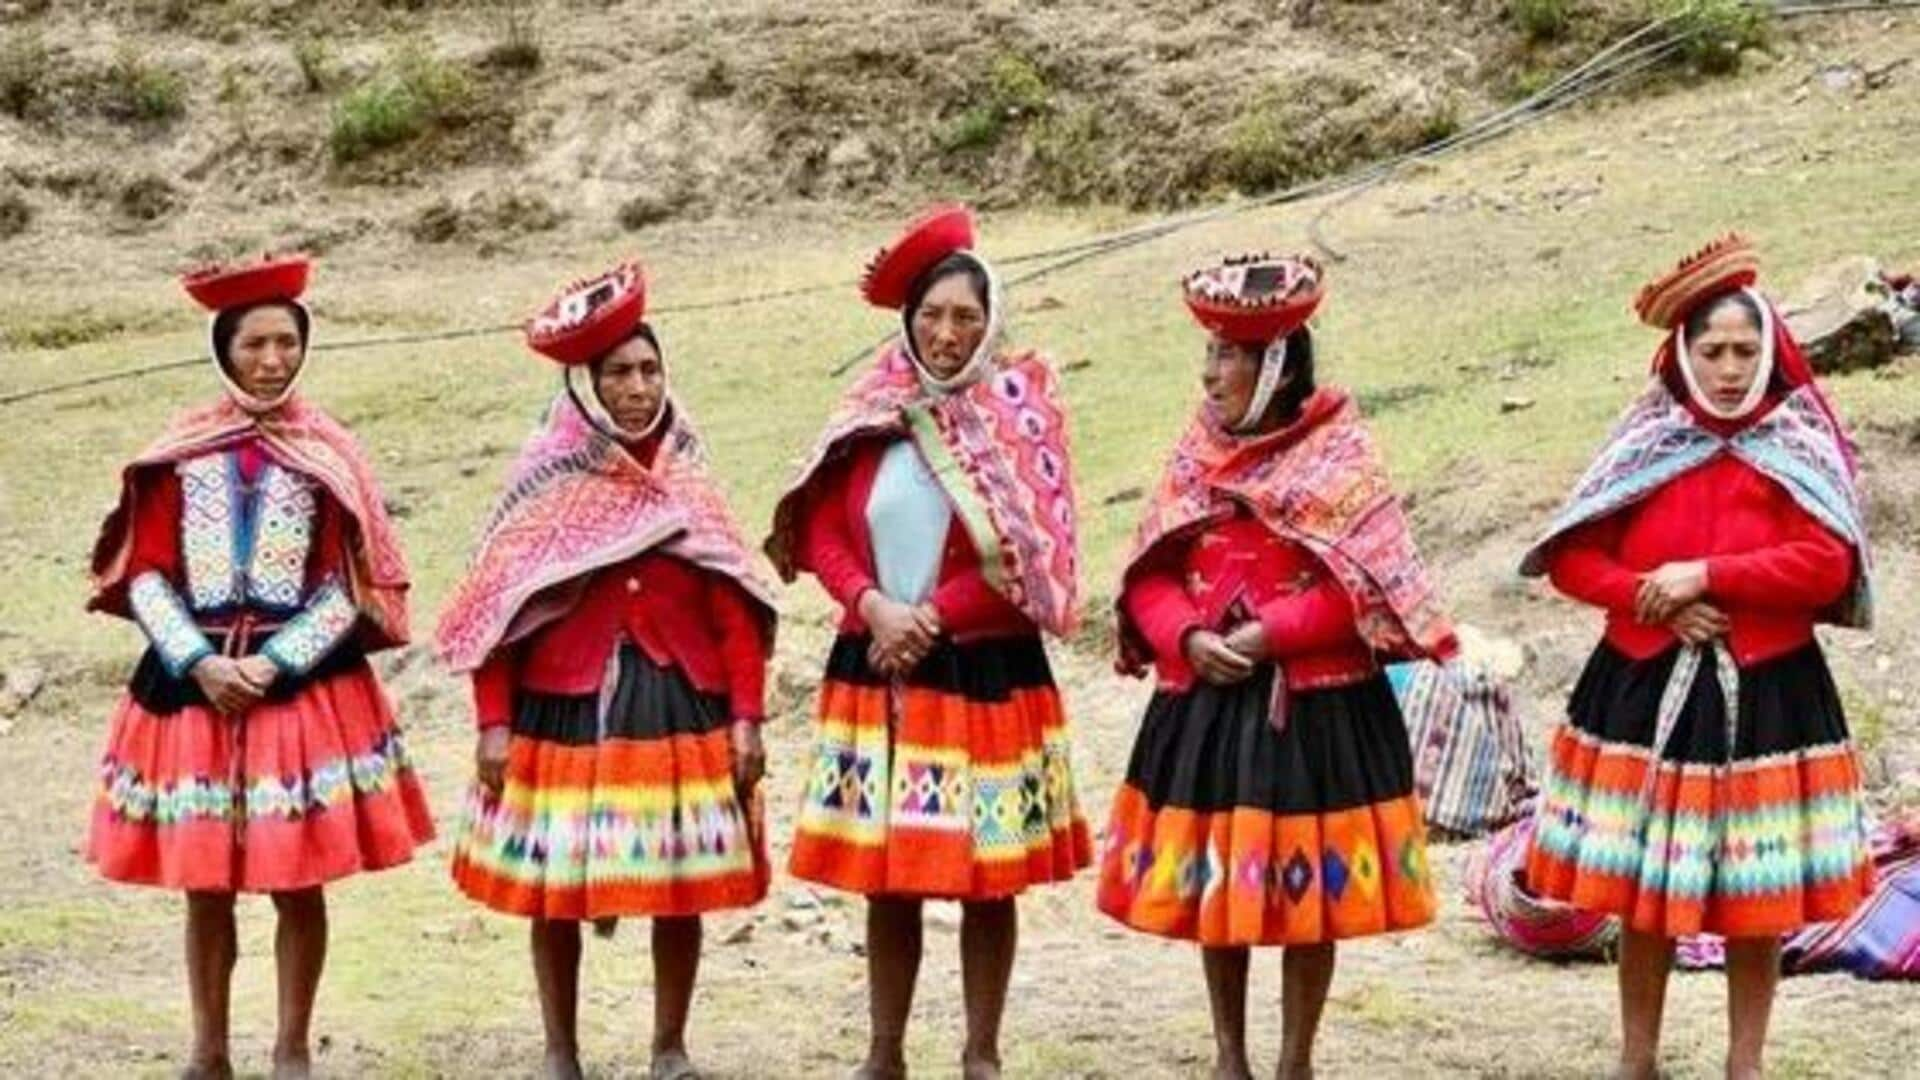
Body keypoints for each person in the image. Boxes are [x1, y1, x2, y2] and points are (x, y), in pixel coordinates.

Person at [1521, 235, 1876, 1080]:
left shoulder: (1797, 446)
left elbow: (1827, 564)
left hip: (1769, 692)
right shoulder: (1648, 442)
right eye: (1710, 350)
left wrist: (1707, 576)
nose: (1726, 368)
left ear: (1769, 355)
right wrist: (1651, 593)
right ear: (1682, 353)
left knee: (1757, 900)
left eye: (1744, 351)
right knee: (1646, 895)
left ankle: (1743, 1065)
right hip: (1643, 687)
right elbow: (1570, 557)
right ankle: (1636, 1060)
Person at [1095, 253, 1458, 1080]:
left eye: (1228, 355)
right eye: (1211, 355)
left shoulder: (1340, 455)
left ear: (1275, 366)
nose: (1211, 373)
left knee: (1308, 898)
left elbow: (1363, 585)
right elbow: (1149, 568)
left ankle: (1296, 1059)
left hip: (1315, 704)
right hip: (1207, 699)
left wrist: (1268, 635)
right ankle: (1230, 1056)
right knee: (1219, 885)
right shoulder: (1196, 450)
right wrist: (1183, 635)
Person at [85, 254, 432, 1080]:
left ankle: (291, 1048)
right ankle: (207, 1050)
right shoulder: (180, 454)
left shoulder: (329, 451)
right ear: (223, 349)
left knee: (296, 874)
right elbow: (146, 572)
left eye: (287, 344)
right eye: (255, 345)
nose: (273, 360)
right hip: (191, 683)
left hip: (299, 684)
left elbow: (350, 578)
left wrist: (273, 664)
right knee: (204, 883)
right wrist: (201, 662)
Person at [765, 205, 1090, 1080]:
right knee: (888, 871)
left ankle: (980, 1053)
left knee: (987, 874)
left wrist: (932, 614)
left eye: (965, 319)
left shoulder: (1020, 413)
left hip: (981, 668)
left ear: (991, 326)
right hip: (876, 662)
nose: (946, 335)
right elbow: (827, 527)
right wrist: (872, 605)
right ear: (908, 321)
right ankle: (884, 1052)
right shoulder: (873, 409)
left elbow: (1031, 551)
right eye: (932, 316)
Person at [440, 262, 778, 1080]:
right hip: (561, 701)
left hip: (676, 696)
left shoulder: (686, 471)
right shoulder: (546, 476)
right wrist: (492, 720)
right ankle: (561, 1050)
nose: (637, 387)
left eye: (649, 370)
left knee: (680, 881)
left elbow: (733, 601)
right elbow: (501, 609)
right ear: (586, 386)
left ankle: (669, 1046)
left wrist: (747, 716)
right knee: (556, 885)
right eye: (618, 373)